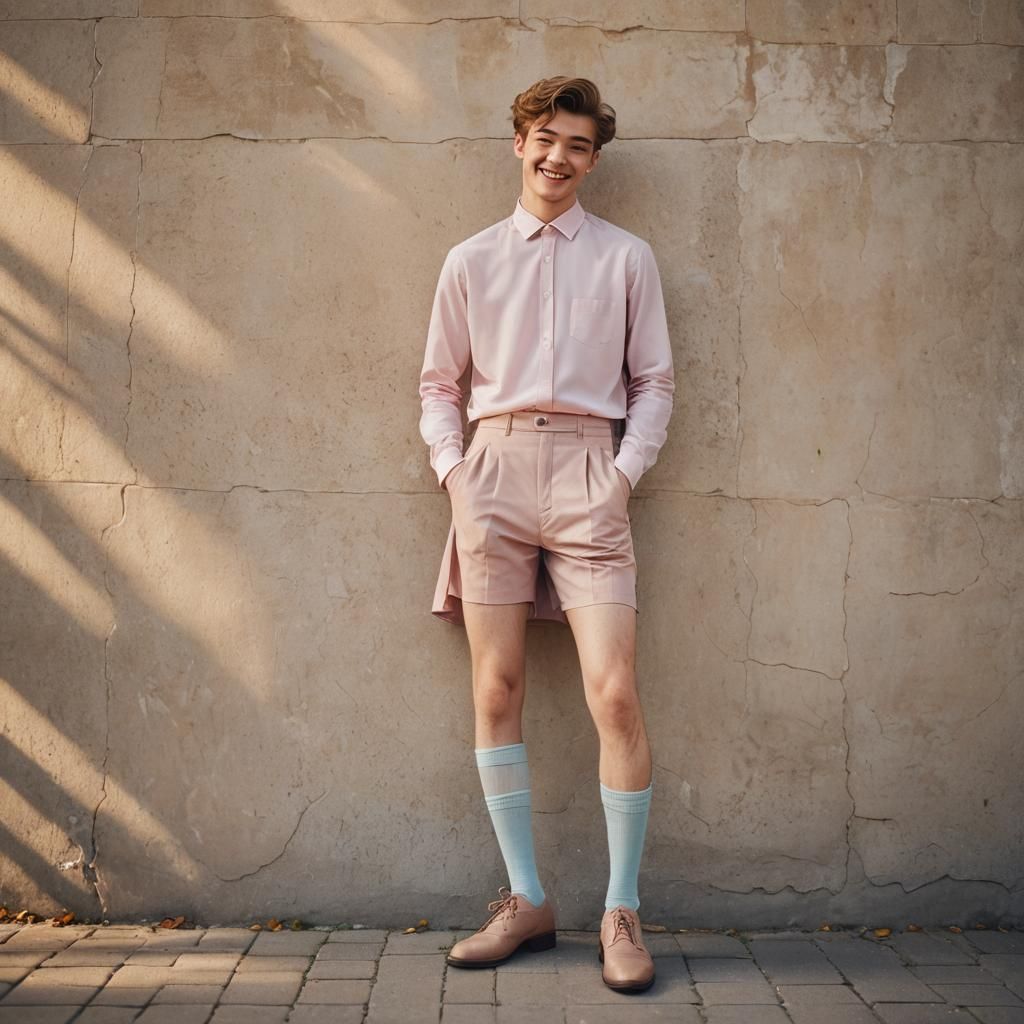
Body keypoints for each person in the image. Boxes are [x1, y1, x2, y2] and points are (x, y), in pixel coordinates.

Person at [418, 76, 675, 993]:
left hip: (589, 476)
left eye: (575, 145)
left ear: (593, 159)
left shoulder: (626, 257)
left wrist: (620, 475)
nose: (556, 157)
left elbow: (654, 383)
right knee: (498, 686)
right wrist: (456, 472)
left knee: (613, 694)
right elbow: (438, 383)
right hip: (491, 471)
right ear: (518, 142)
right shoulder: (471, 260)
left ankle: (620, 908)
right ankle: (526, 898)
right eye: (543, 138)